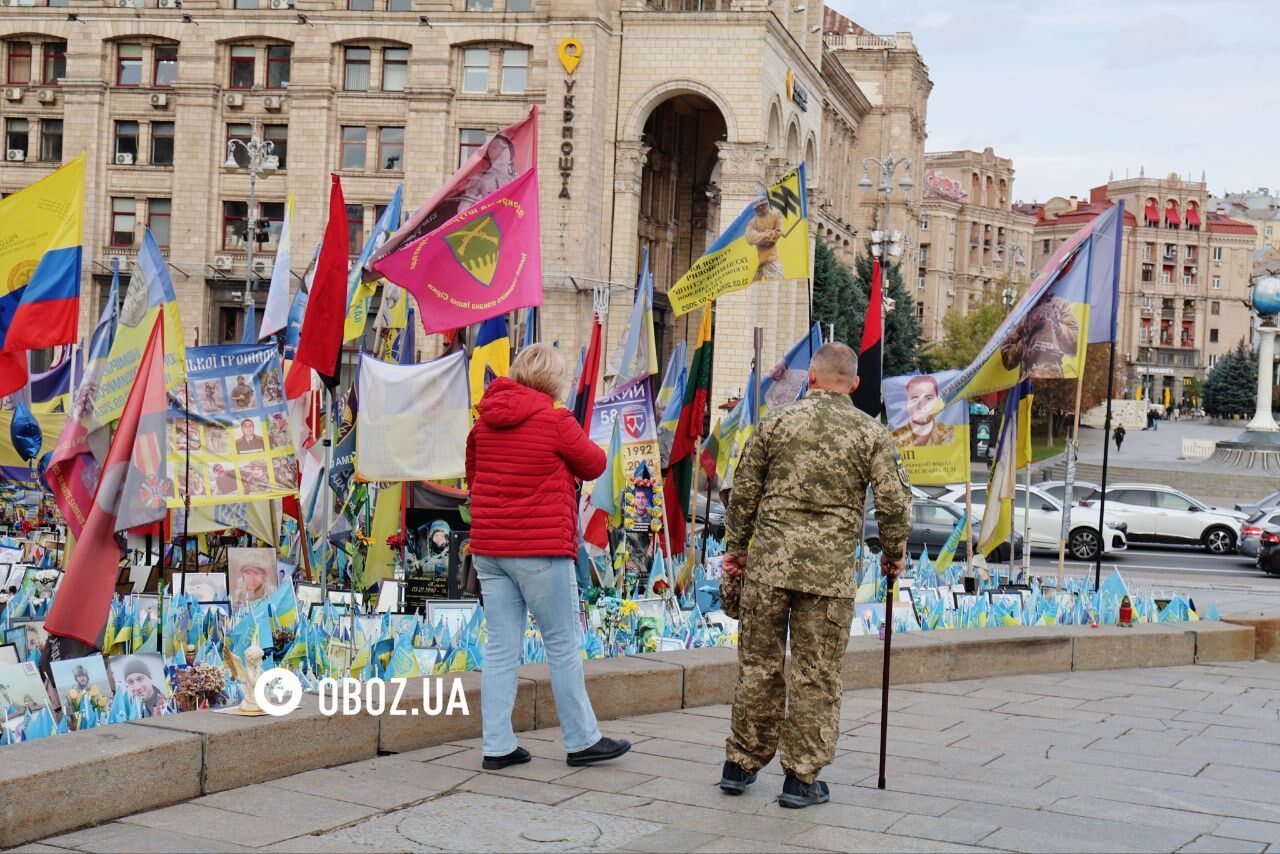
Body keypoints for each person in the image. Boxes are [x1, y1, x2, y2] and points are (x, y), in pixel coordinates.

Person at [719, 342, 912, 808]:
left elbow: (742, 492)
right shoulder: (871, 434)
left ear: (811, 379)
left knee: (758, 666)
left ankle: (740, 764)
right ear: (855, 384)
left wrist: (737, 551)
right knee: (816, 674)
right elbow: (892, 501)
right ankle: (800, 779)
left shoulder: (777, 422)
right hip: (827, 578)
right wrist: (893, 554)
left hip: (768, 567)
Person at [466, 342, 630, 771]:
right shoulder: (556, 420)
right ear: (554, 381)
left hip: (490, 550)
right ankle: (581, 740)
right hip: (540, 550)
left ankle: (497, 746)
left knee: (501, 648)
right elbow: (595, 464)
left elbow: (474, 476)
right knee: (561, 643)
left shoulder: (483, 424)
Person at [999, 296, 1080, 379]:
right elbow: (1008, 361)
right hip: (1028, 381)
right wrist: (1028, 335)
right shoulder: (1023, 309)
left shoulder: (1061, 305)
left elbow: (1075, 346)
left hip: (1053, 378)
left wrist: (1054, 325)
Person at [890, 374, 954, 447]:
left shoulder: (949, 433)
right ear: (906, 403)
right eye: (915, 400)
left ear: (937, 401)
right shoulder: (895, 437)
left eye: (928, 399)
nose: (921, 406)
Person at [746, 195, 785, 281]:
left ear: (763, 206)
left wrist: (758, 237)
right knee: (752, 285)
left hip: (771, 257)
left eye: (761, 206)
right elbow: (749, 238)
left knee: (777, 279)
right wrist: (766, 235)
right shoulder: (753, 222)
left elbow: (778, 232)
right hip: (757, 260)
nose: (759, 210)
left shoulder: (775, 215)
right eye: (757, 208)